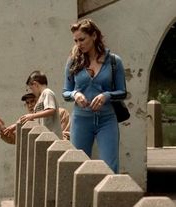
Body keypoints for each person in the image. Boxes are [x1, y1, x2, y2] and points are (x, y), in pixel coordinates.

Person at [62, 19, 127, 173]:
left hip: (107, 119)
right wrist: (75, 94)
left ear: (94, 36)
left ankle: (108, 197)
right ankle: (81, 198)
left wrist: (106, 95)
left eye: (82, 39)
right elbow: (65, 92)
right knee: (78, 167)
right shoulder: (73, 61)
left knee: (110, 167)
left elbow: (122, 92)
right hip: (81, 120)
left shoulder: (114, 61)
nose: (79, 44)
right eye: (76, 40)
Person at [0, 70, 67, 141]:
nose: (30, 105)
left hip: (53, 140)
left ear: (35, 84)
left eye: (32, 101)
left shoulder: (47, 92)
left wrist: (32, 116)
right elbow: (17, 137)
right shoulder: (36, 110)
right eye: (27, 103)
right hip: (44, 140)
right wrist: (11, 127)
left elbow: (51, 110)